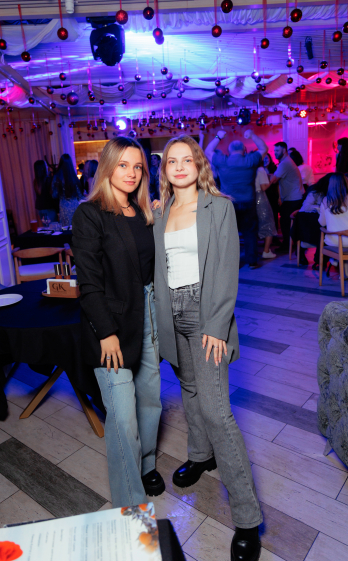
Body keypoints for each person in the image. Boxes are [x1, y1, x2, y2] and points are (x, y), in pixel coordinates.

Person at [154, 135, 263, 561]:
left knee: (217, 411)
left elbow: (227, 267)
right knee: (190, 390)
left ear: (199, 165)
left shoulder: (219, 207)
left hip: (206, 313)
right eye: (172, 161)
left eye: (188, 159)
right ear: (164, 170)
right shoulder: (160, 211)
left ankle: (248, 519)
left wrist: (217, 324)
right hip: (171, 313)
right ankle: (201, 456)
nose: (180, 166)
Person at [72, 136, 164, 508]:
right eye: (123, 165)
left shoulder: (143, 213)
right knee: (123, 416)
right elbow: (89, 283)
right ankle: (130, 507)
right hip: (110, 323)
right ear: (108, 166)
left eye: (137, 166)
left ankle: (146, 464)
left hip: (148, 313)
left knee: (150, 400)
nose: (131, 173)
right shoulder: (90, 214)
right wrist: (106, 333)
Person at [205, 129, 268, 268]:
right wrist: (252, 135)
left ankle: (232, 263)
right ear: (244, 150)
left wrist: (218, 136)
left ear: (229, 150)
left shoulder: (223, 161)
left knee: (229, 234)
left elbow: (208, 151)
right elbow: (264, 148)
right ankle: (252, 261)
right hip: (248, 201)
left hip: (229, 203)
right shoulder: (250, 160)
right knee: (250, 232)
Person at [319, 173, 348, 278]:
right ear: (346, 183)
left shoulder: (325, 201)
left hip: (333, 241)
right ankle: (347, 272)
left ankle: (336, 259)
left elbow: (322, 223)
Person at [291, 173, 332, 268]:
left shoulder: (329, 193)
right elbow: (306, 207)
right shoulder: (315, 192)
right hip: (307, 219)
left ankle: (320, 258)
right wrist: (320, 207)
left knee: (325, 227)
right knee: (322, 228)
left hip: (318, 219)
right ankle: (318, 258)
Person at [270, 142, 304, 252]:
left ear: (284, 150)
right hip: (294, 197)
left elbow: (273, 180)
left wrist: (261, 177)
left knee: (285, 222)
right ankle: (290, 245)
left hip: (293, 198)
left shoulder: (285, 163)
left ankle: (287, 246)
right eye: (274, 151)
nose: (275, 153)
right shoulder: (286, 162)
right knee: (287, 222)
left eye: (277, 151)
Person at [52, 154, 83, 226]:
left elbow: (54, 195)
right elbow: (79, 195)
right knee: (75, 226)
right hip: (74, 205)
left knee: (65, 227)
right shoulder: (73, 176)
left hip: (63, 205)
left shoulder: (57, 177)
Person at [255, 161, 278, 259]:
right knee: (268, 224)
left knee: (255, 225)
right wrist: (271, 180)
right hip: (260, 197)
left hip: (252, 197)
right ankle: (266, 251)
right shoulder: (261, 170)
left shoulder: (250, 168)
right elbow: (263, 187)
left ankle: (255, 251)